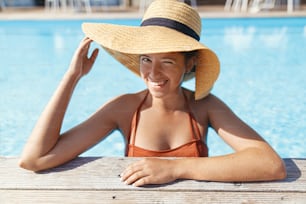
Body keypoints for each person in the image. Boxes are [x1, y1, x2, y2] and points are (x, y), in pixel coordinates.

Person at [19, 0, 286, 187]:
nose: (153, 73)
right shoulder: (124, 109)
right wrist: (72, 77)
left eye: (167, 62)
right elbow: (35, 159)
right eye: (146, 59)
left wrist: (174, 168)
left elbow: (270, 164)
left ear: (189, 63)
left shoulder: (205, 107)